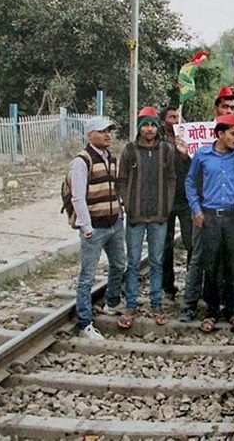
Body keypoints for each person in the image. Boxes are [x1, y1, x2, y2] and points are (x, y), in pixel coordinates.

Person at [181, 114, 234, 332]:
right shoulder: (203, 155)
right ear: (220, 134)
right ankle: (211, 311)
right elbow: (190, 182)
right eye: (232, 133)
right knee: (210, 264)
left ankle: (232, 310)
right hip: (210, 216)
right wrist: (196, 208)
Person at [116, 106, 177, 328]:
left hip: (159, 215)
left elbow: (171, 179)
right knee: (132, 263)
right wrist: (127, 202)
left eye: (152, 125)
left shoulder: (166, 150)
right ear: (139, 128)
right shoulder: (130, 150)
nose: (149, 129)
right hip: (136, 216)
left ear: (157, 127)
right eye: (145, 125)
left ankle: (156, 304)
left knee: (156, 261)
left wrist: (167, 204)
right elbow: (121, 180)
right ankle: (131, 305)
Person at [70, 117, 127, 340]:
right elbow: (77, 197)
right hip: (95, 227)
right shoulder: (81, 161)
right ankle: (85, 322)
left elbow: (115, 190)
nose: (108, 135)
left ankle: (112, 302)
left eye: (109, 131)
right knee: (87, 276)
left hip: (114, 223)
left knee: (119, 265)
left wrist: (120, 214)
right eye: (102, 131)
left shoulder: (111, 158)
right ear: (90, 134)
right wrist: (86, 227)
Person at [159, 106, 192, 301]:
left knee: (191, 244)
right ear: (163, 122)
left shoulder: (190, 140)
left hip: (187, 200)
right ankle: (167, 288)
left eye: (179, 117)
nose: (176, 120)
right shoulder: (159, 143)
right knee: (165, 246)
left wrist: (185, 153)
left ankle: (192, 285)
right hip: (166, 201)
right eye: (172, 117)